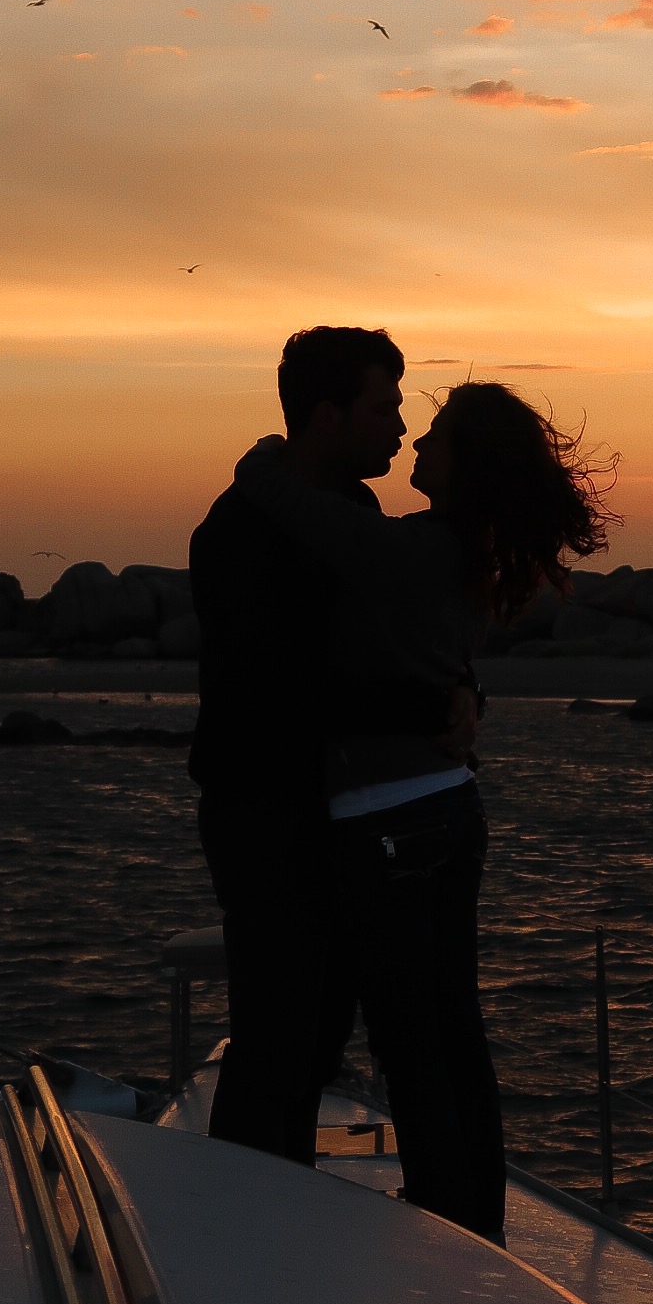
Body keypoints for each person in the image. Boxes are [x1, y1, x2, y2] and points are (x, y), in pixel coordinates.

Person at [232, 379, 613, 1242]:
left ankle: (449, 1229)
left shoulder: (415, 549)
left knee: (413, 1044)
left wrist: (262, 457)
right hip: (445, 809)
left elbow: (299, 509)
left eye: (435, 433)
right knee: (453, 1035)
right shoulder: (458, 550)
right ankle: (478, 1226)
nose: (415, 443)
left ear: (466, 462)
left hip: (389, 823)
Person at [188, 326, 478, 1162]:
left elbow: (398, 637)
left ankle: (280, 1202)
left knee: (317, 1040)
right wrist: (434, 704)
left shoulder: (352, 510)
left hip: (340, 816)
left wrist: (462, 691)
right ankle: (247, 1208)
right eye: (383, 408)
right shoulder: (238, 534)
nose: (400, 427)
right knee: (278, 1039)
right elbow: (288, 688)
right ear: (326, 416)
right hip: (266, 816)